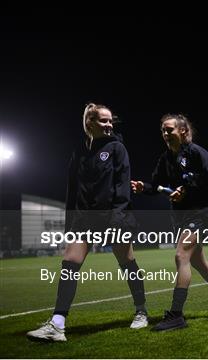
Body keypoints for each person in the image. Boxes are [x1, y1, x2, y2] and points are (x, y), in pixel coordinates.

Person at [27, 103, 147, 342]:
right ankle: (58, 324)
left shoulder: (117, 148)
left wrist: (117, 218)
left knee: (127, 262)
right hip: (83, 218)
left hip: (114, 217)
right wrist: (69, 224)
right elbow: (72, 190)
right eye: (103, 121)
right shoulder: (79, 151)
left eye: (110, 121)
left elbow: (123, 187)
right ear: (89, 123)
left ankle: (141, 311)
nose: (109, 125)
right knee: (69, 263)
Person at [131, 113, 208, 331]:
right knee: (198, 261)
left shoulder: (195, 152)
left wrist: (188, 187)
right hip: (181, 215)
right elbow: (158, 185)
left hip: (200, 211)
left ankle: (176, 314)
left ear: (182, 131)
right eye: (163, 130)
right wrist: (144, 187)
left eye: (169, 129)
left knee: (181, 255)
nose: (165, 133)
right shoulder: (165, 159)